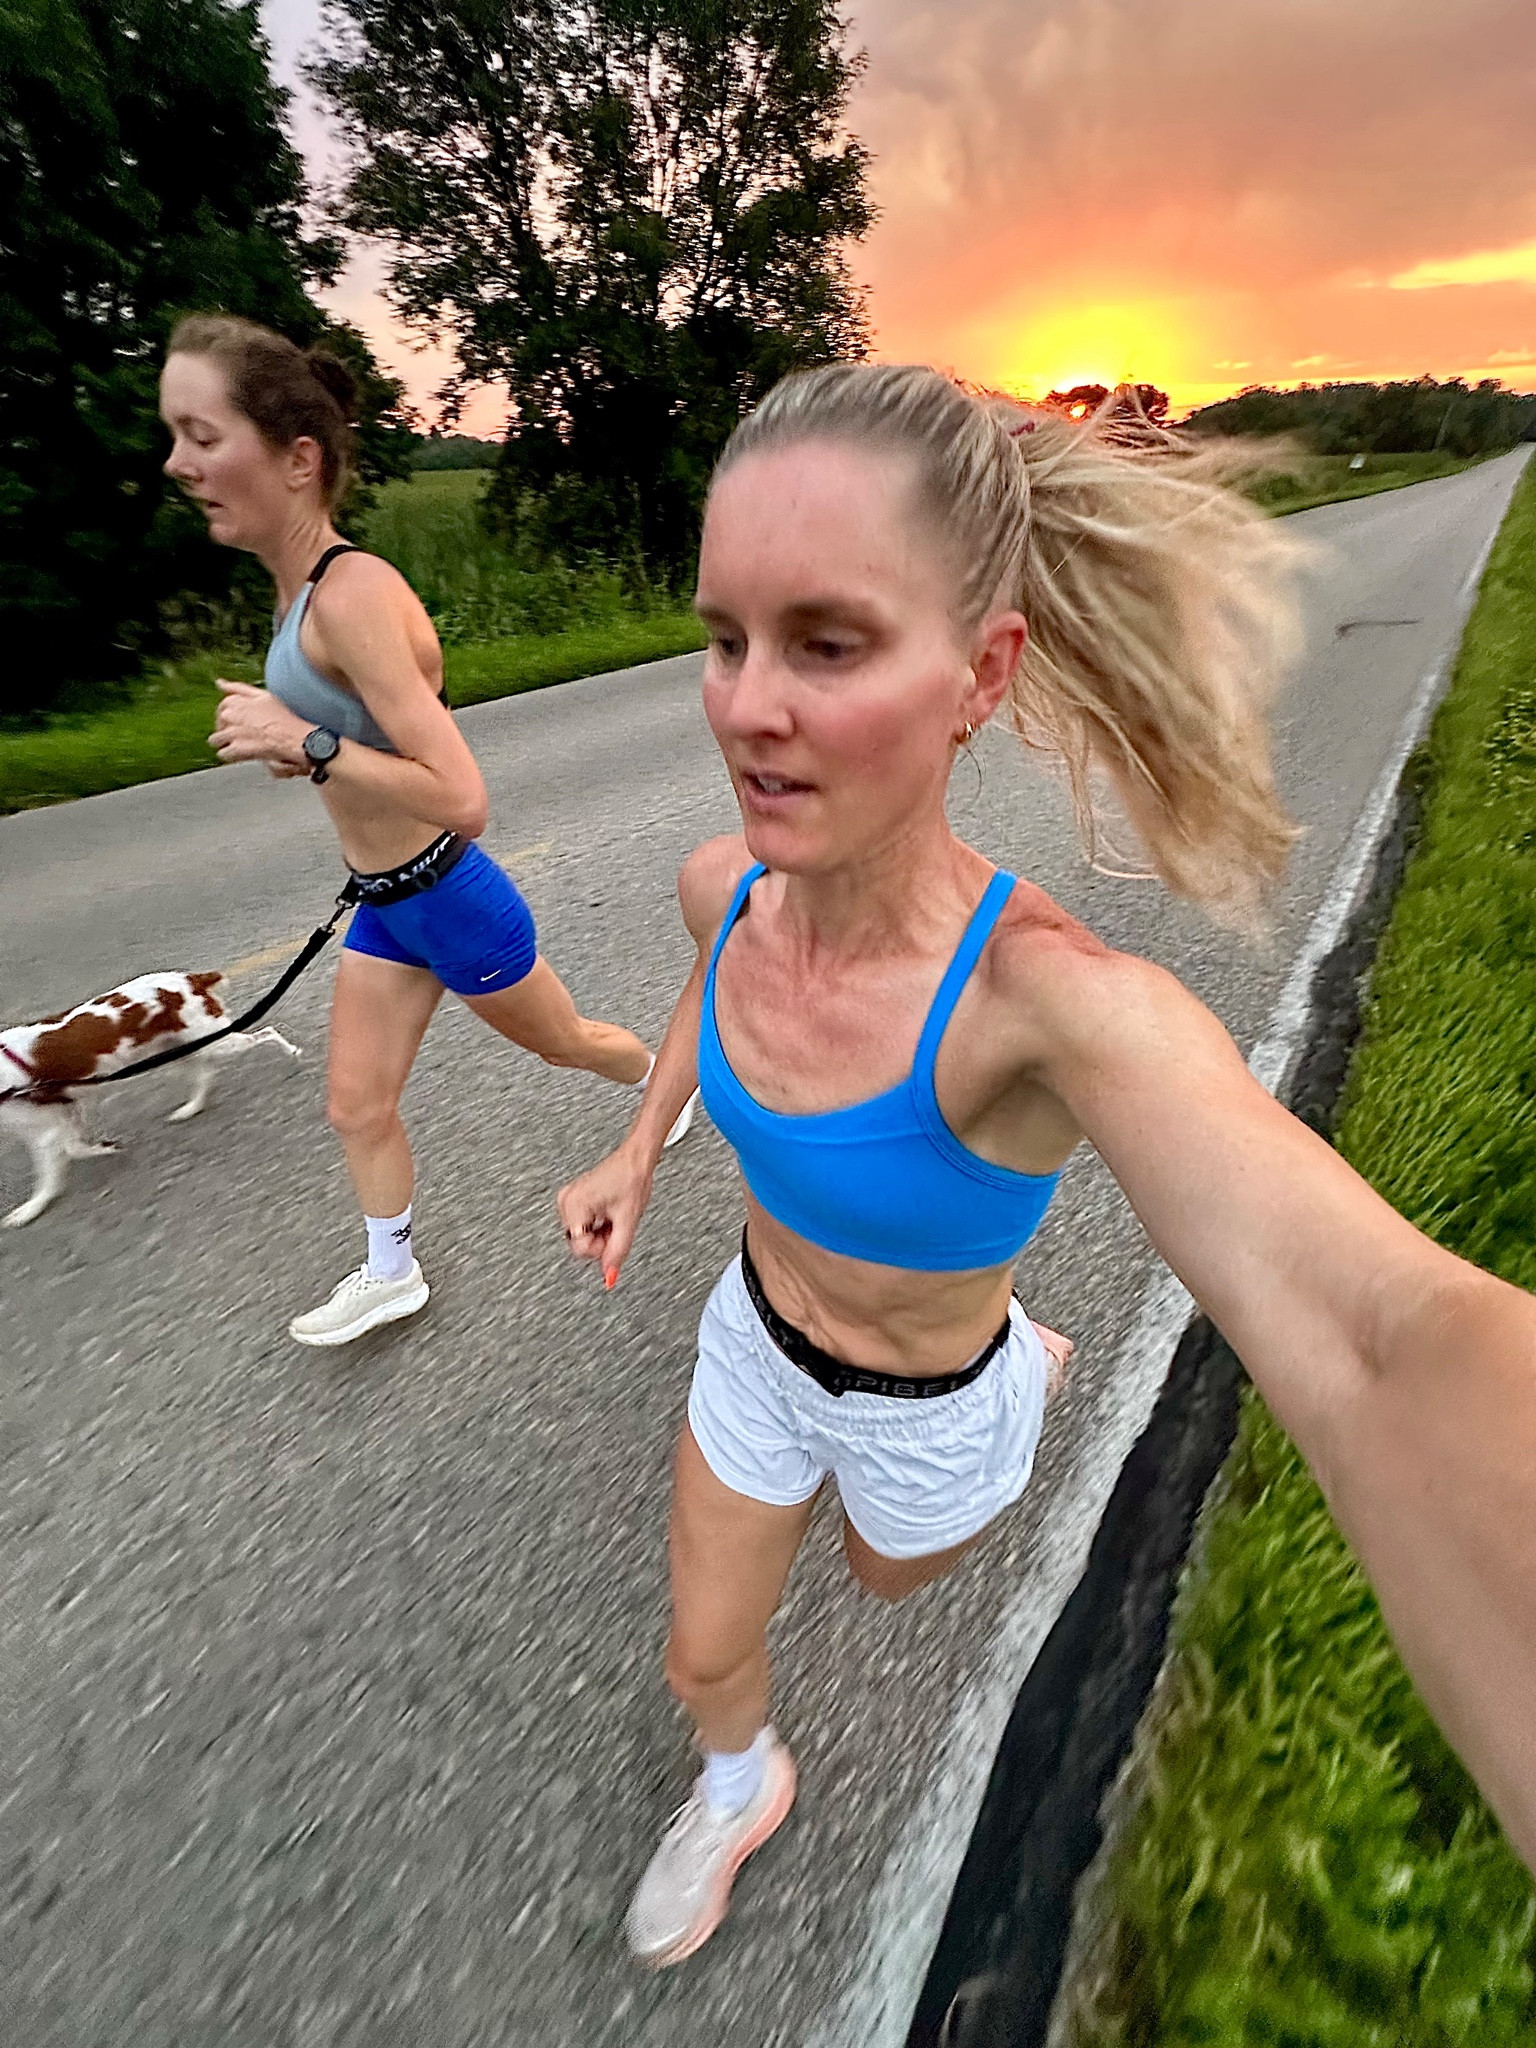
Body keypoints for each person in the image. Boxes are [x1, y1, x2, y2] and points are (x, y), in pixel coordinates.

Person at [557, 364, 1536, 1966]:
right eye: (726, 639)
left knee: (884, 1576)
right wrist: (634, 1151)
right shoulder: (721, 884)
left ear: (981, 674)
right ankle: (738, 1787)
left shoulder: (1055, 1008)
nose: (746, 705)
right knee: (702, 1652)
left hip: (925, 1404)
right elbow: (703, 997)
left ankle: (1014, 1373)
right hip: (754, 1344)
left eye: (827, 642)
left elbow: (1375, 1342)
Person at [159, 314, 694, 1347]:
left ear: (298, 459)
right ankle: (391, 1271)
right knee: (355, 1105)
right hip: (386, 905)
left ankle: (669, 1086)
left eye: (203, 435)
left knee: (571, 1043)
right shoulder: (296, 593)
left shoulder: (351, 593)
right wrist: (304, 746)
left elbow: (459, 793)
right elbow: (358, 745)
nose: (179, 463)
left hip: (449, 896)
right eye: (175, 436)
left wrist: (304, 740)